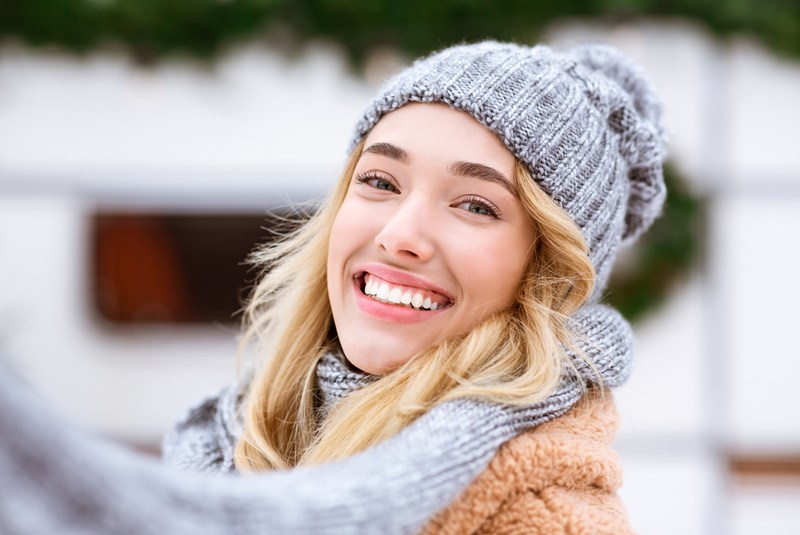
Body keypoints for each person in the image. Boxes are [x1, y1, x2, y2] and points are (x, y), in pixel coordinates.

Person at [0, 40, 665, 534]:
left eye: (475, 205)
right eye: (380, 181)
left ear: (544, 273)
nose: (401, 234)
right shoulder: (227, 443)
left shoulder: (545, 517)